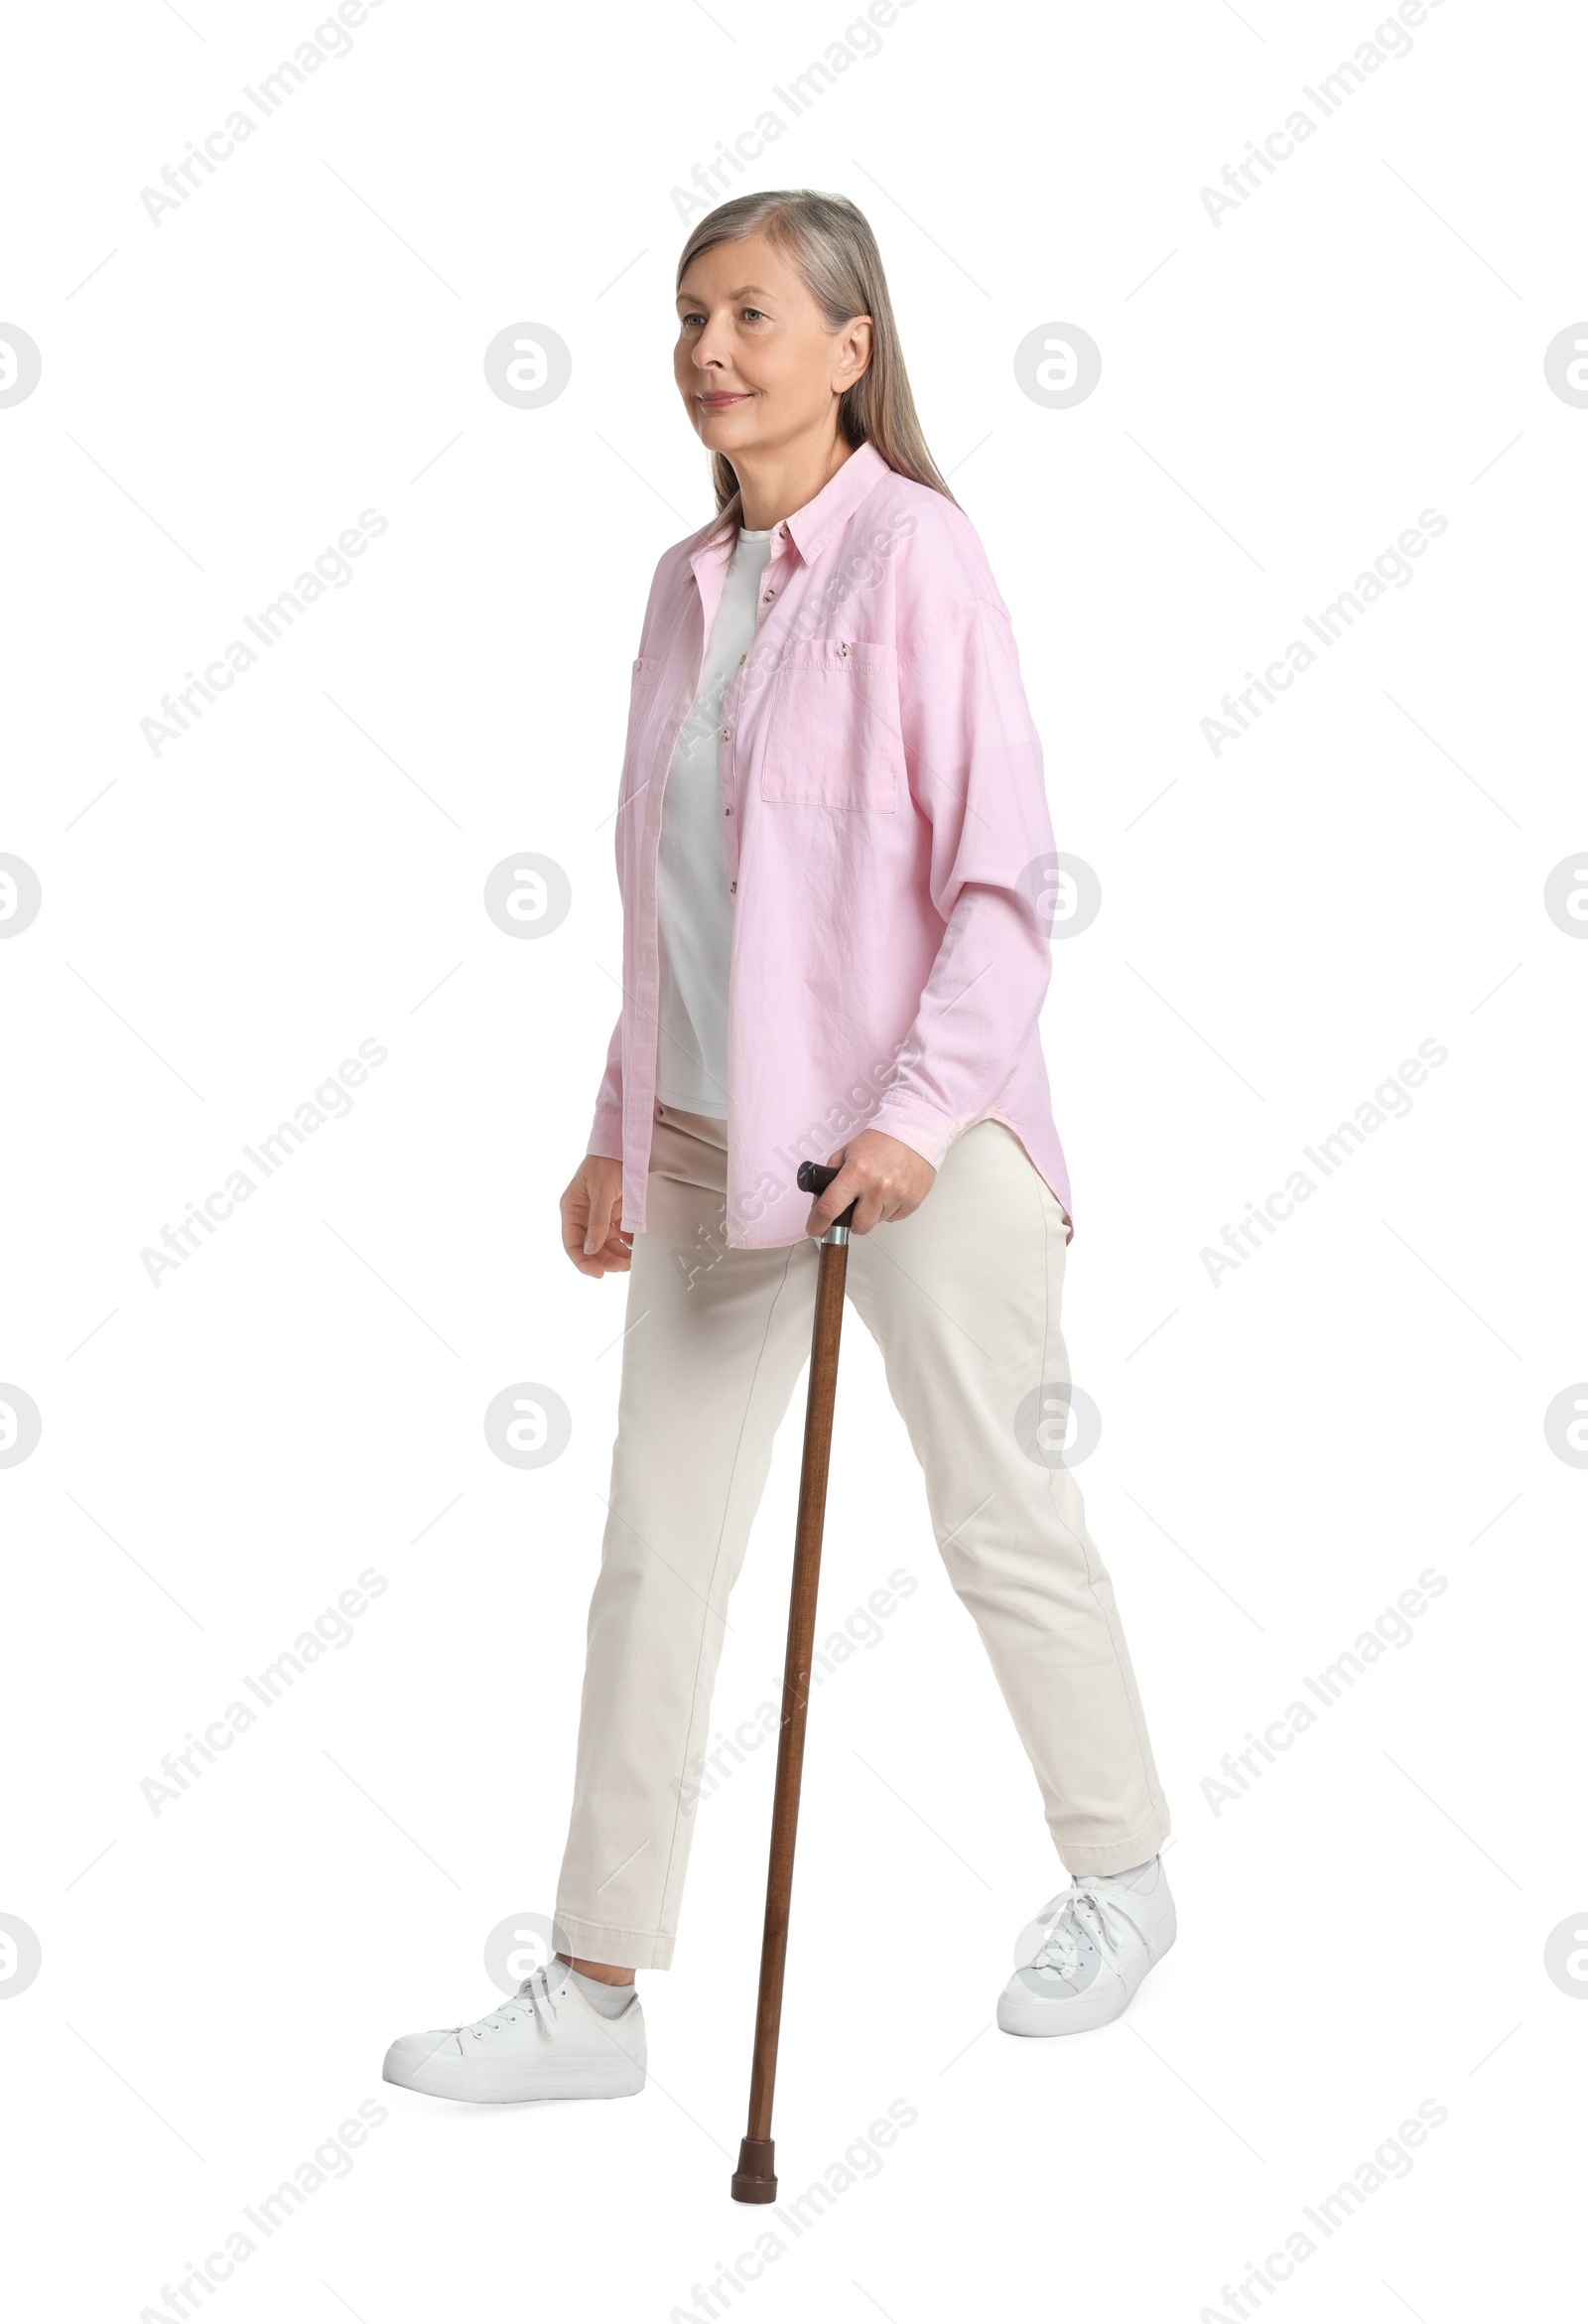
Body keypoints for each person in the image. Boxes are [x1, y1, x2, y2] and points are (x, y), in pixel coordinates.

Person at [383, 189, 1173, 2108]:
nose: (708, 352)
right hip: (707, 1141)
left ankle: (1123, 1877)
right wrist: (611, 1121)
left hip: (931, 1132)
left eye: (748, 315)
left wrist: (910, 1127)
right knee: (655, 1548)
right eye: (687, 318)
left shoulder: (920, 561)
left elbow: (1003, 891)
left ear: (848, 346)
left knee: (999, 1509)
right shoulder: (681, 583)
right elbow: (683, 902)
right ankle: (592, 1988)